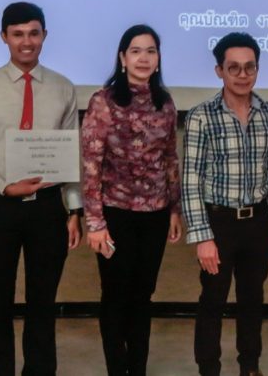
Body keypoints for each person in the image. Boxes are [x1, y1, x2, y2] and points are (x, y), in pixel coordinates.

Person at [0, 2, 83, 376]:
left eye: (33, 33)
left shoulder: (62, 87)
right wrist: (3, 185)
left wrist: (74, 209)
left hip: (47, 208)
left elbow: (71, 153)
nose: (26, 42)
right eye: (17, 34)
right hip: (0, 207)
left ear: (44, 35)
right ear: (4, 37)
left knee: (43, 302)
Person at [181, 32, 268, 376]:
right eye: (234, 68)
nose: (243, 75)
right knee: (212, 300)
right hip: (219, 223)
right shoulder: (201, 116)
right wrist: (202, 236)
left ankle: (250, 367)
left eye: (249, 67)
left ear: (257, 69)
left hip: (258, 222)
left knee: (252, 300)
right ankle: (208, 369)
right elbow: (191, 180)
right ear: (219, 71)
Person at [81, 24, 183, 376]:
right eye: (136, 51)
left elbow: (170, 159)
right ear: (123, 58)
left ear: (158, 59)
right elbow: (91, 165)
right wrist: (95, 222)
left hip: (155, 215)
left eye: (151, 51)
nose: (144, 58)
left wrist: (174, 208)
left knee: (142, 296)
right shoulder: (103, 101)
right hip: (114, 215)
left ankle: (137, 368)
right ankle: (117, 368)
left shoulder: (164, 103)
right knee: (115, 295)